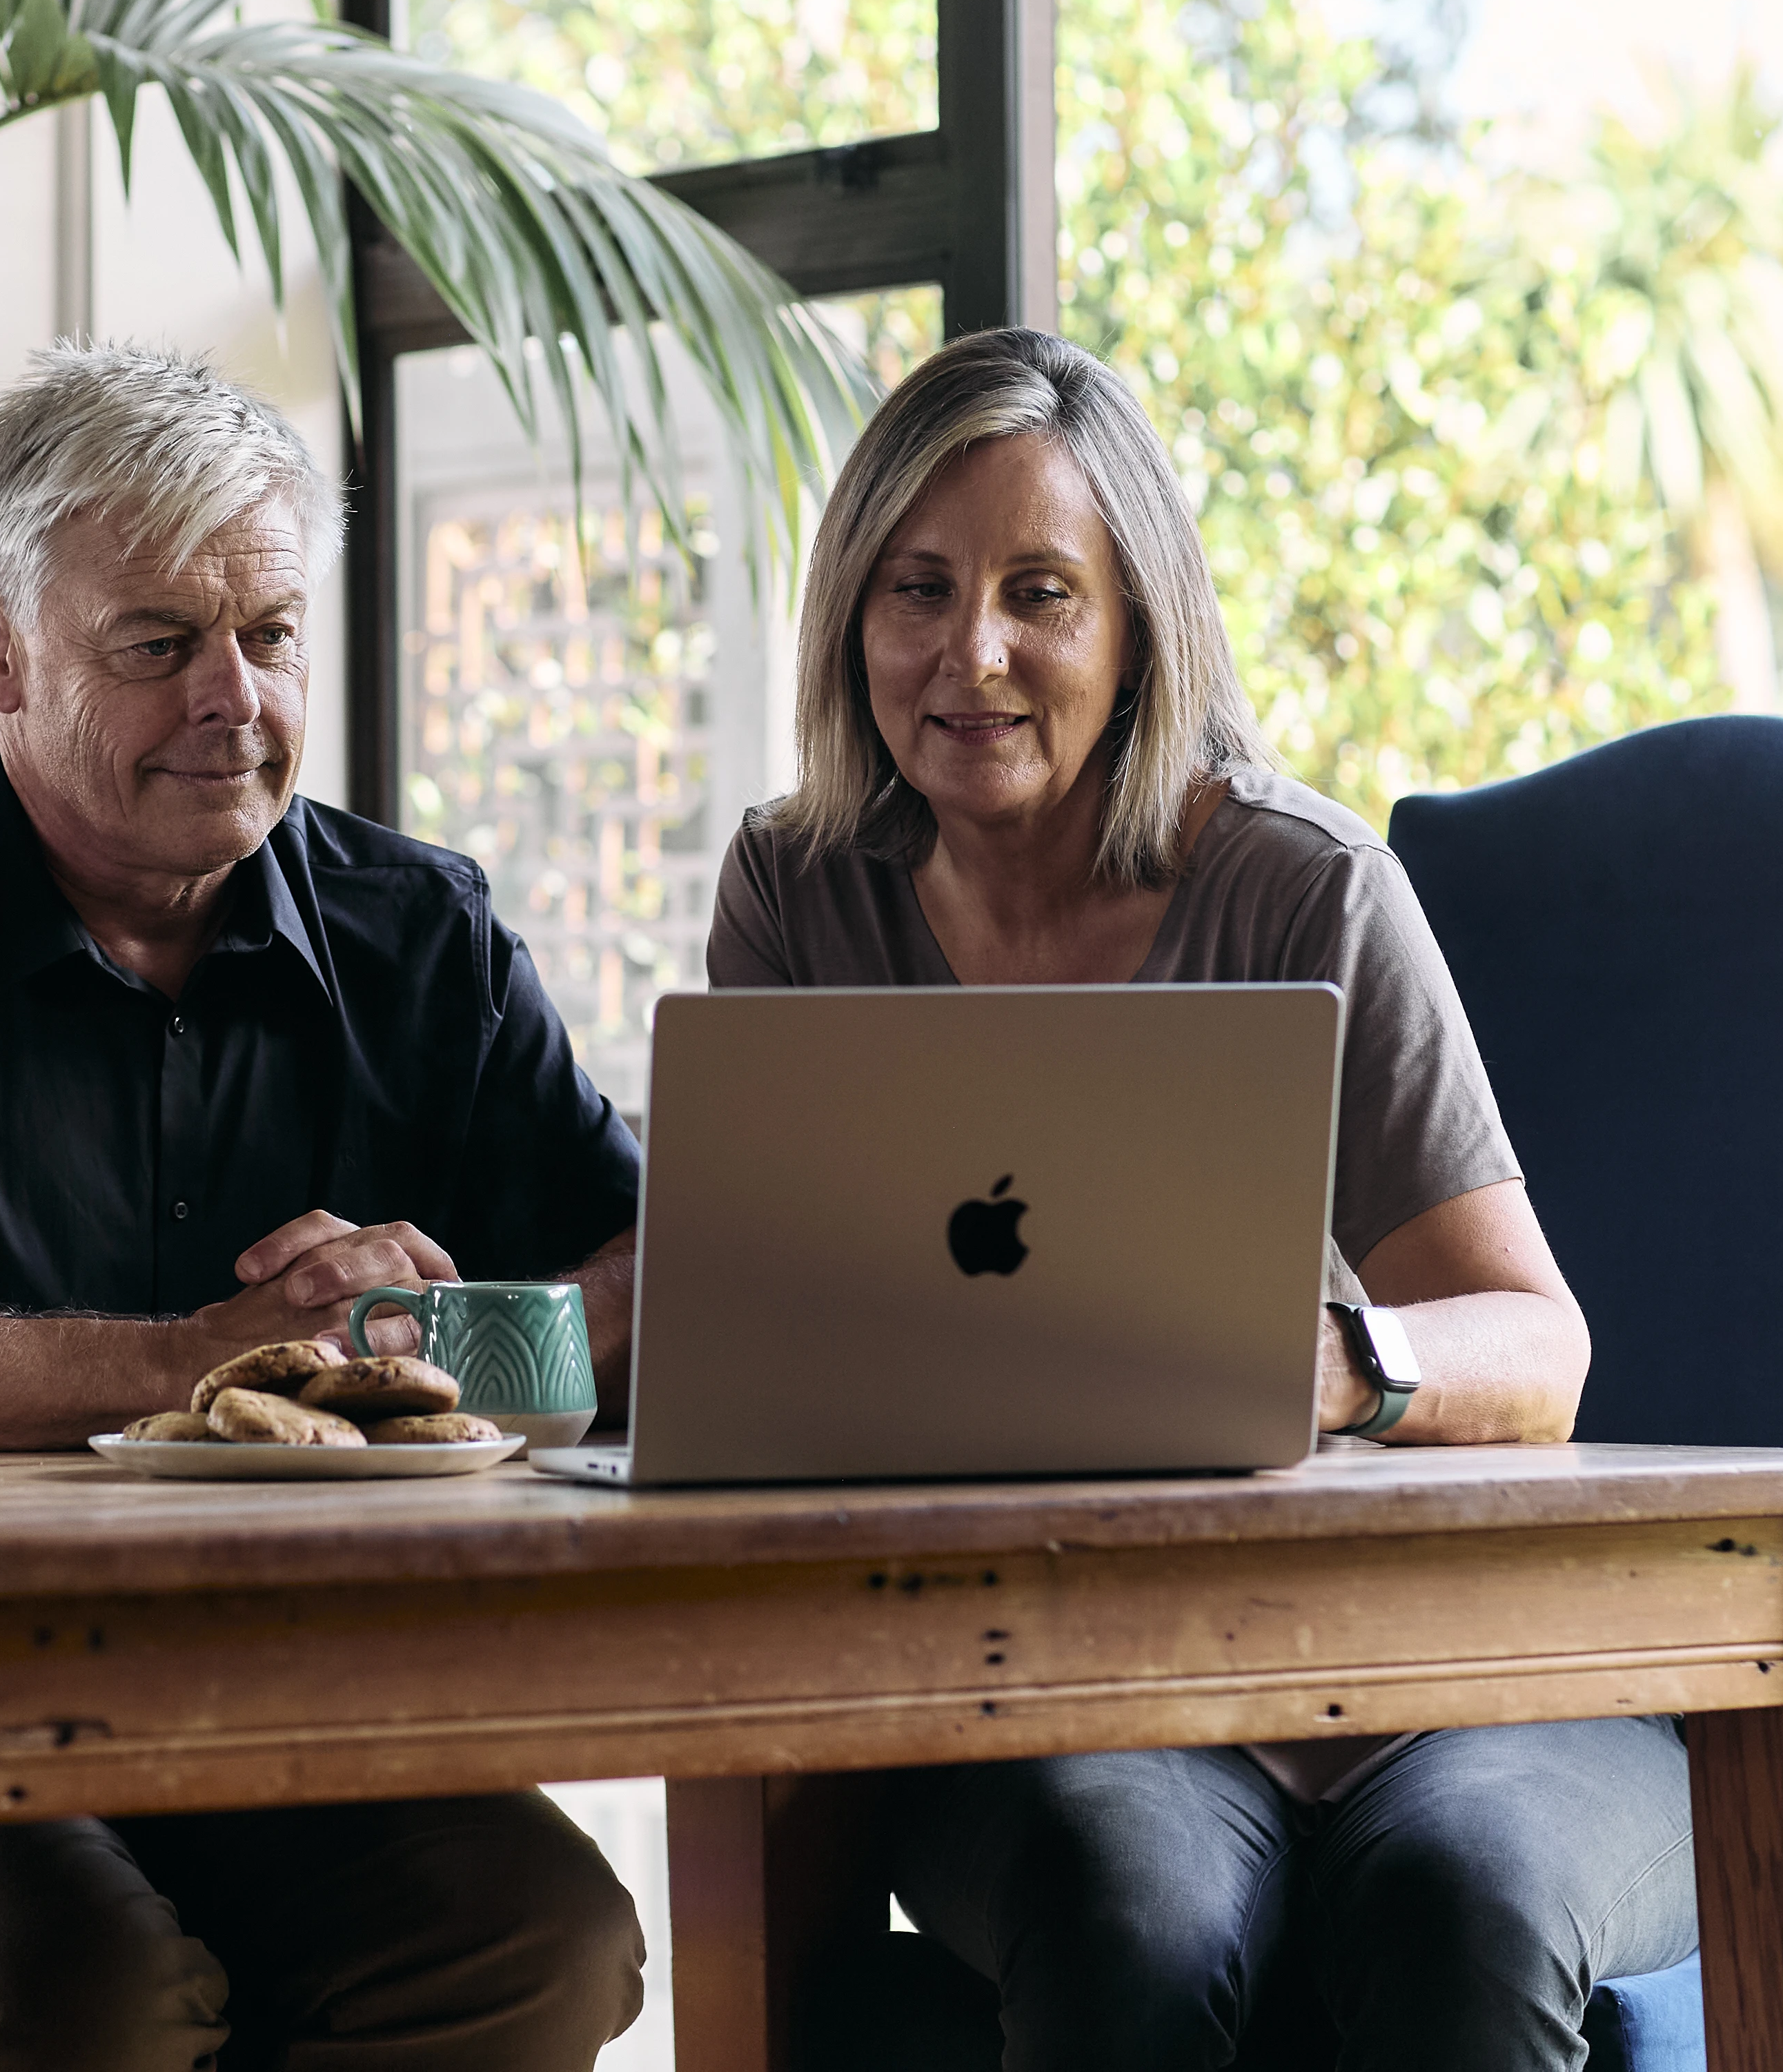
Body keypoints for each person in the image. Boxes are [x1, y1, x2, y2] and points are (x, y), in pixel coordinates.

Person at [0, 341, 647, 2072]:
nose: (232, 698)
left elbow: (636, 1260)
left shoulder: (426, 936)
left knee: (537, 1944)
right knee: (89, 2004)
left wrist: (409, 1341)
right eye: (160, 645)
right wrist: (202, 1357)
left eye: (269, 636)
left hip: (278, 1707)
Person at [707, 327, 1688, 2071]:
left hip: (1426, 1686)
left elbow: (1540, 1346)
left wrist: (1339, 1366)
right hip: (1062, 1687)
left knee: (1462, 1910)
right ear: (850, 615)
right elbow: (757, 1312)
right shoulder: (798, 895)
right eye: (917, 589)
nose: (972, 654)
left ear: (1137, 623)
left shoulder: (1304, 891)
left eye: (1041, 594)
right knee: (1123, 1920)